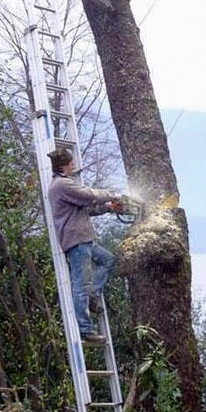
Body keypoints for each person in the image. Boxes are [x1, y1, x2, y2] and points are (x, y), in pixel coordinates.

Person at [47, 147, 119, 344]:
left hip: (83, 239)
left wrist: (107, 207)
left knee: (107, 259)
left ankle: (94, 297)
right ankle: (85, 329)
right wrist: (113, 194)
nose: (73, 165)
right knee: (81, 285)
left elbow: (87, 209)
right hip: (77, 241)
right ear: (63, 166)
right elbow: (89, 195)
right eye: (70, 163)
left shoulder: (64, 186)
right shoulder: (62, 185)